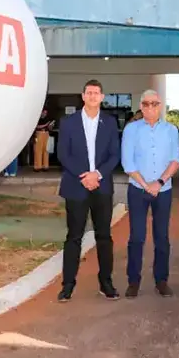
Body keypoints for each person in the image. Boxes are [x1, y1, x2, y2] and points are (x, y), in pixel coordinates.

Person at [56, 79, 122, 301]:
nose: (93, 96)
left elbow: (115, 154)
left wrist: (98, 175)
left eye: (97, 93)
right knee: (74, 237)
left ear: (102, 97)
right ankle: (67, 285)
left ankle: (106, 283)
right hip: (76, 186)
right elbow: (63, 154)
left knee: (104, 236)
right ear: (83, 96)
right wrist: (84, 176)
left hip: (102, 187)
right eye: (89, 93)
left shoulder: (110, 123)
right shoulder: (68, 122)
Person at [120, 89, 179, 298]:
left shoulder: (171, 130)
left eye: (154, 104)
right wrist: (146, 184)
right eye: (146, 104)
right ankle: (133, 281)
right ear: (141, 106)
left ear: (160, 105)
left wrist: (159, 182)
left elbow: (176, 160)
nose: (150, 107)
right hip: (138, 189)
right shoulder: (131, 130)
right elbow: (127, 162)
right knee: (136, 237)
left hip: (163, 190)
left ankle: (161, 280)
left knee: (162, 237)